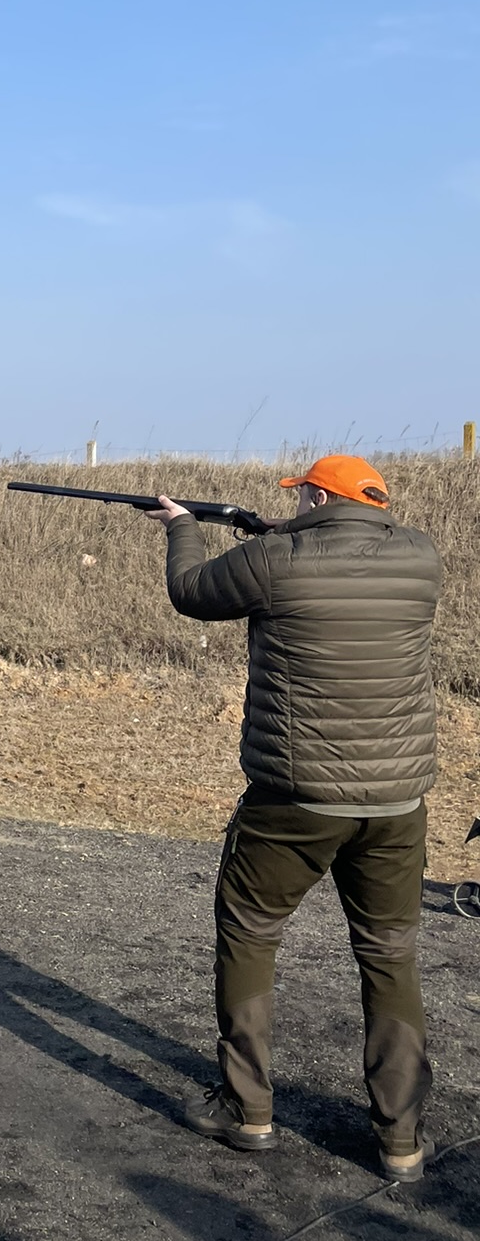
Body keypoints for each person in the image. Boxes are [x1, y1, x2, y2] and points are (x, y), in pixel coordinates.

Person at [147, 454, 442, 1179]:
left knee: (249, 931)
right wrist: (282, 528)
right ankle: (401, 1140)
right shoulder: (420, 557)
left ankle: (247, 1108)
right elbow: (339, 552)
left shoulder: (274, 560)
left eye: (302, 497)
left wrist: (183, 527)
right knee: (389, 952)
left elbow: (191, 591)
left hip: (295, 799)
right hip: (398, 802)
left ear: (313, 497)